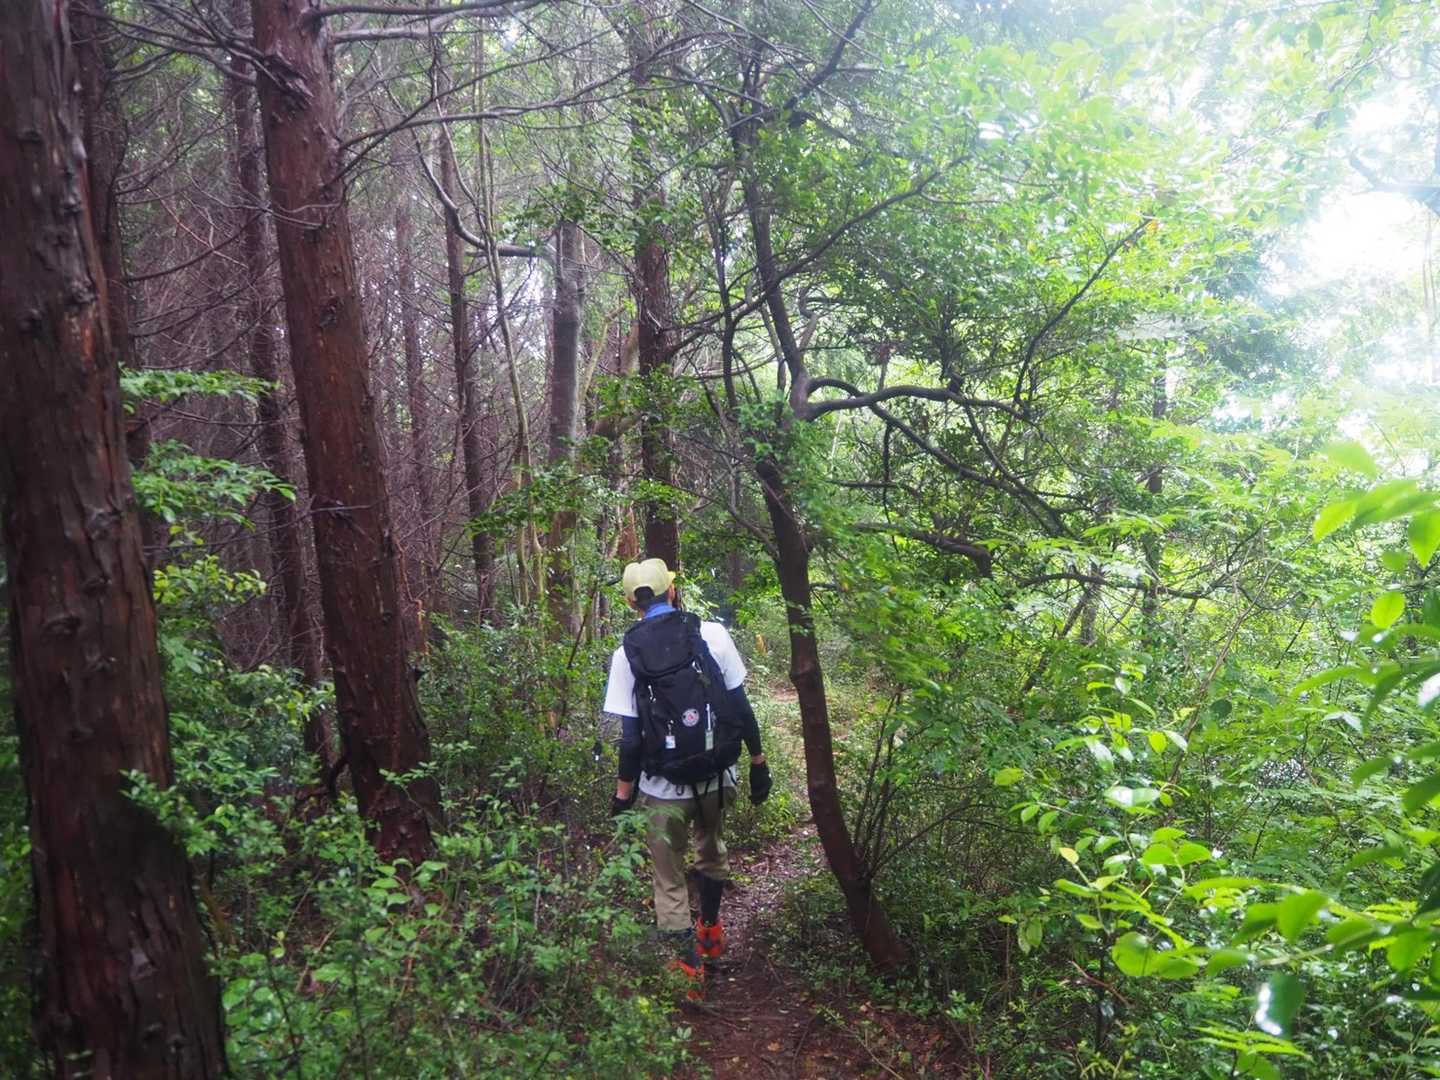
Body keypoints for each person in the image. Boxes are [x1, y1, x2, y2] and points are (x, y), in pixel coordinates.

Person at [603, 557, 771, 982]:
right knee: (711, 852)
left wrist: (622, 796)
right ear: (672, 591)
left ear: (631, 603)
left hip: (663, 787)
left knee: (668, 876)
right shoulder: (712, 634)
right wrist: (758, 762)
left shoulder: (626, 655)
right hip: (716, 775)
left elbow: (631, 739)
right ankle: (710, 933)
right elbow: (740, 707)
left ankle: (688, 970)